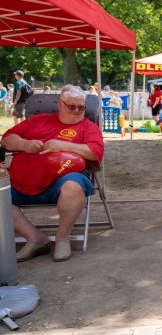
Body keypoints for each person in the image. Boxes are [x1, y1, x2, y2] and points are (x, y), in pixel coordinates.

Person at [2, 85, 104, 262]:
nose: (77, 111)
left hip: (59, 184)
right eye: (72, 106)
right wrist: (24, 144)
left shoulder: (87, 127)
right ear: (60, 104)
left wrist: (63, 145)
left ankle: (63, 238)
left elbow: (95, 152)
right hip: (21, 182)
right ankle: (35, 239)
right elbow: (7, 139)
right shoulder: (38, 120)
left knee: (74, 185)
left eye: (81, 107)